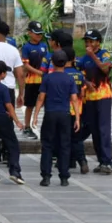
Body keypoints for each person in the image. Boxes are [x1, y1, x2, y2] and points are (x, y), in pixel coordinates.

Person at [37, 50, 81, 187]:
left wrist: (35, 115)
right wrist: (77, 118)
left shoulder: (47, 78)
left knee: (47, 145)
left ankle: (46, 176)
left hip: (50, 113)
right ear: (66, 62)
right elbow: (74, 99)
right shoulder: (69, 79)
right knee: (64, 145)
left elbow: (41, 98)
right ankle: (64, 177)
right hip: (65, 114)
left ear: (52, 62)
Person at [76, 29, 112, 174]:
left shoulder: (104, 54)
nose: (88, 44)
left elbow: (105, 70)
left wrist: (93, 55)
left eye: (91, 41)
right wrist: (86, 82)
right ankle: (101, 161)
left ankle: (107, 162)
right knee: (95, 130)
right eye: (86, 41)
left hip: (103, 96)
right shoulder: (84, 59)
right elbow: (78, 73)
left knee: (104, 129)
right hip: (89, 98)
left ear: (98, 42)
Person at [0, 60, 27, 185]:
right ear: (2, 74)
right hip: (2, 118)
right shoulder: (3, 88)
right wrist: (17, 121)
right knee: (12, 144)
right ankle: (14, 171)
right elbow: (8, 105)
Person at [62, 45, 90, 174]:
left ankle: (66, 162)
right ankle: (82, 161)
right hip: (78, 110)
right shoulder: (79, 74)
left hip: (64, 110)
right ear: (74, 59)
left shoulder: (62, 74)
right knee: (77, 138)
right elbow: (82, 93)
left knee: (64, 138)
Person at [19, 21, 49, 140]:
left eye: (40, 33)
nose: (39, 35)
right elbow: (25, 65)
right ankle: (27, 127)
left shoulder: (44, 46)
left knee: (46, 104)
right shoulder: (26, 47)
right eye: (36, 33)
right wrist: (39, 72)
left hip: (44, 80)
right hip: (31, 81)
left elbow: (47, 60)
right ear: (29, 33)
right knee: (30, 104)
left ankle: (46, 127)